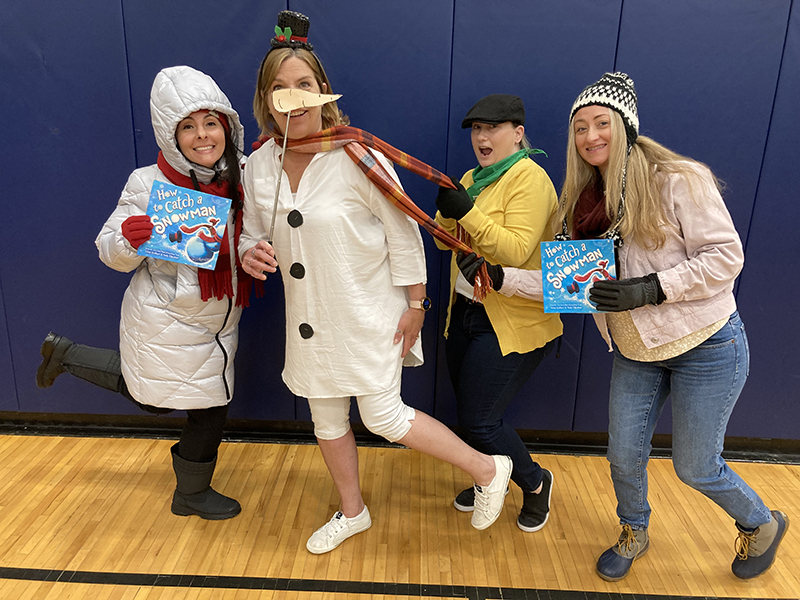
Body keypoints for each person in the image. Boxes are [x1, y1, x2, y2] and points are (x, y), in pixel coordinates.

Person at [464, 72, 788, 581]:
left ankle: (762, 523)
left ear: (626, 126)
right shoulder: (580, 205)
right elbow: (566, 284)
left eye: (601, 124)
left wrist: (653, 288)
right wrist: (500, 276)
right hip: (637, 350)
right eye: (579, 127)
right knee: (622, 457)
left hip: (707, 344)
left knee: (695, 466)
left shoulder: (678, 179)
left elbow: (726, 256)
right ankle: (634, 530)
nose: (590, 136)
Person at [239, 10, 512, 555]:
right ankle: (352, 510)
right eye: (280, 87)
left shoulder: (355, 155)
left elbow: (403, 229)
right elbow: (249, 231)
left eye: (303, 84)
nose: (292, 96)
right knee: (325, 415)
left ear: (322, 91)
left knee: (384, 416)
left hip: (368, 312)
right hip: (309, 318)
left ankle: (488, 468)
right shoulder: (258, 164)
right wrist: (250, 253)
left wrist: (417, 303)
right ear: (265, 98)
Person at [35, 65, 272, 521]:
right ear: (170, 134)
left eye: (210, 122)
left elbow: (246, 232)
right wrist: (130, 238)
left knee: (169, 398)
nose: (202, 136)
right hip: (165, 315)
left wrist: (247, 253)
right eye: (187, 126)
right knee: (200, 406)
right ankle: (191, 495)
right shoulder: (147, 183)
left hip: (220, 318)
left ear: (226, 123)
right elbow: (108, 250)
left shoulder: (245, 174)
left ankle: (64, 354)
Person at [433, 94, 562, 533]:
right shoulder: (473, 176)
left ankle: (535, 483)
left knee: (480, 420)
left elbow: (514, 251)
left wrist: (466, 210)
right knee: (470, 416)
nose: (482, 137)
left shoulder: (532, 179)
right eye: (476, 129)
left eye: (493, 128)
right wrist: (447, 218)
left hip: (510, 320)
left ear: (518, 133)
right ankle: (492, 479)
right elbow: (441, 242)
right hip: (464, 313)